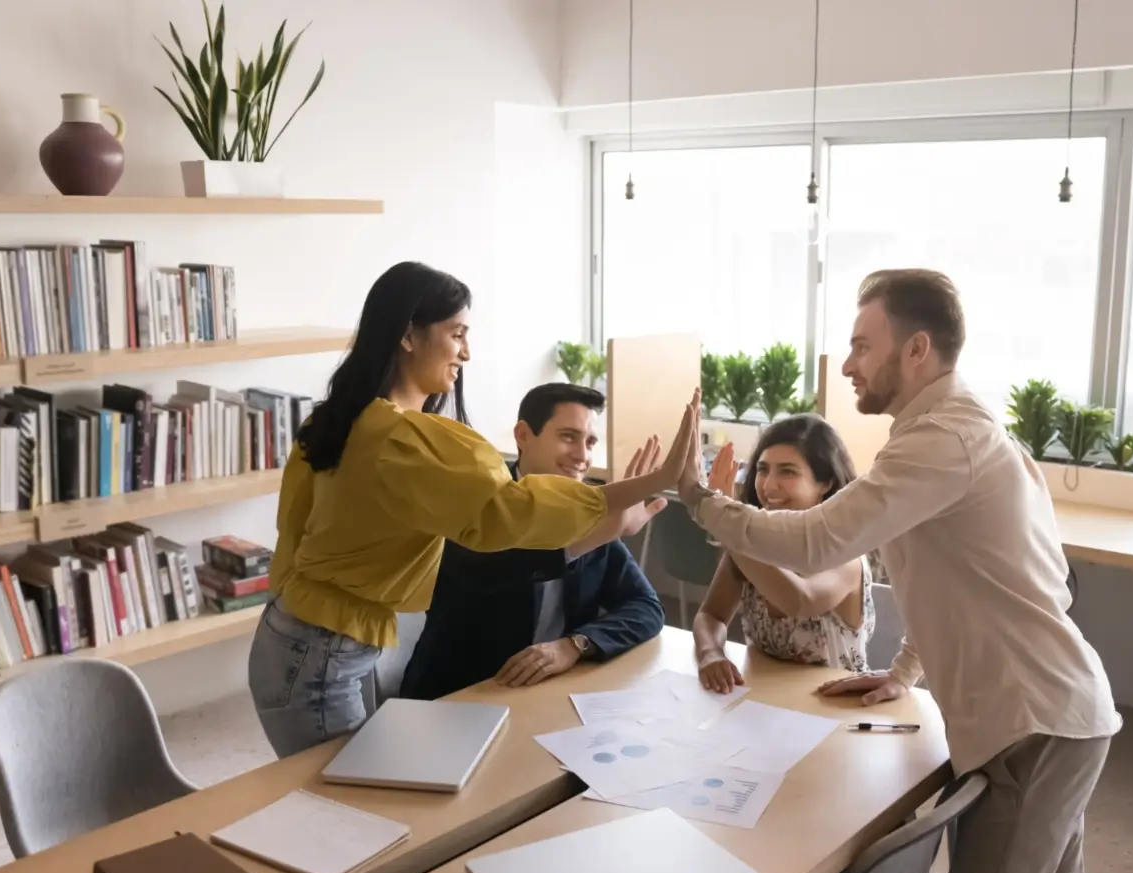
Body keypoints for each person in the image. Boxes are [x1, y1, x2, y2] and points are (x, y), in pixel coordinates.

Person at [674, 269, 1121, 873]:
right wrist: (906, 670)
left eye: (862, 345)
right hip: (1048, 716)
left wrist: (699, 499)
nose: (850, 364)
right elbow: (973, 579)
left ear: (916, 350)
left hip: (1030, 724)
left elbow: (814, 542)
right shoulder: (957, 429)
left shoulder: (945, 439)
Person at [250, 261, 694, 759]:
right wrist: (635, 492)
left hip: (299, 636)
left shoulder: (349, 421)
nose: (467, 351)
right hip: (319, 656)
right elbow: (506, 511)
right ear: (408, 336)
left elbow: (292, 528)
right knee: (345, 808)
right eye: (457, 333)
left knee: (349, 800)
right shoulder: (403, 439)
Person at [400, 383, 665, 700]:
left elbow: (646, 607)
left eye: (590, 442)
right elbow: (491, 573)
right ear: (523, 435)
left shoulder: (589, 510)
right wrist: (593, 534)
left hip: (547, 692)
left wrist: (574, 645)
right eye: (568, 437)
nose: (582, 456)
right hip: (461, 695)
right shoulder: (477, 503)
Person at [690, 414, 875, 694]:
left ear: (824, 483)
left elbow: (800, 601)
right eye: (763, 470)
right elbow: (710, 615)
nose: (768, 485)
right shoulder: (747, 541)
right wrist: (711, 653)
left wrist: (729, 526)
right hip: (766, 701)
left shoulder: (845, 552)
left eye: (787, 471)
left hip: (837, 711)